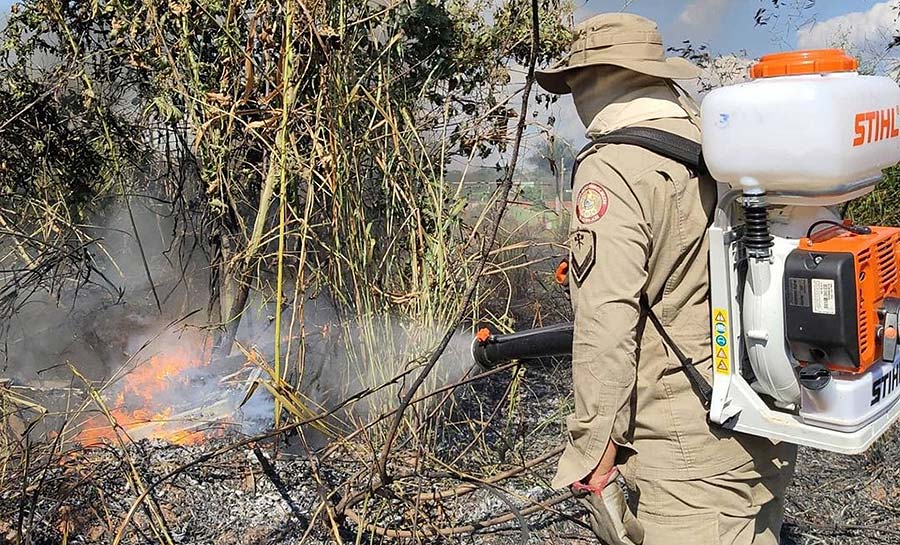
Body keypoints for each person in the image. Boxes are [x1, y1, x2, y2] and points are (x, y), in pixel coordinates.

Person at [535, 13, 797, 545]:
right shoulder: (720, 143)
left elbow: (607, 327)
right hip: (763, 419)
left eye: (574, 85)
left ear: (596, 79)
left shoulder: (613, 166)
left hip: (684, 452)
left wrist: (594, 452)